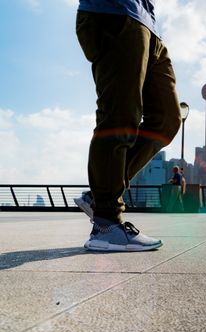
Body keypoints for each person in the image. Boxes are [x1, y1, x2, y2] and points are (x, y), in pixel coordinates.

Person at [73, 0, 182, 251]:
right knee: (119, 117)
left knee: (167, 119)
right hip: (115, 12)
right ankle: (106, 224)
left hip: (150, 26)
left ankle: (101, 195)